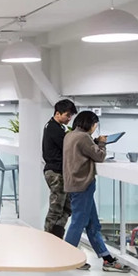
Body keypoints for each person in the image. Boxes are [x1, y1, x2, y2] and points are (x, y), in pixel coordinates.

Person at [63, 111, 131, 273]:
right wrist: (101, 143)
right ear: (90, 124)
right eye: (95, 125)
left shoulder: (70, 135)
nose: (95, 128)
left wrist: (94, 142)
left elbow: (82, 152)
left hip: (74, 184)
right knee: (78, 222)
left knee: (93, 224)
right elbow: (99, 156)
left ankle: (107, 259)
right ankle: (68, 258)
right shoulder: (83, 137)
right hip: (82, 185)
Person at [42, 99, 78, 239]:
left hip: (58, 171)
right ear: (57, 113)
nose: (69, 119)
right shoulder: (54, 128)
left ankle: (56, 236)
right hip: (56, 172)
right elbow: (69, 147)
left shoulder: (55, 127)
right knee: (56, 209)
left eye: (71, 116)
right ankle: (48, 239)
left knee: (66, 208)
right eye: (67, 115)